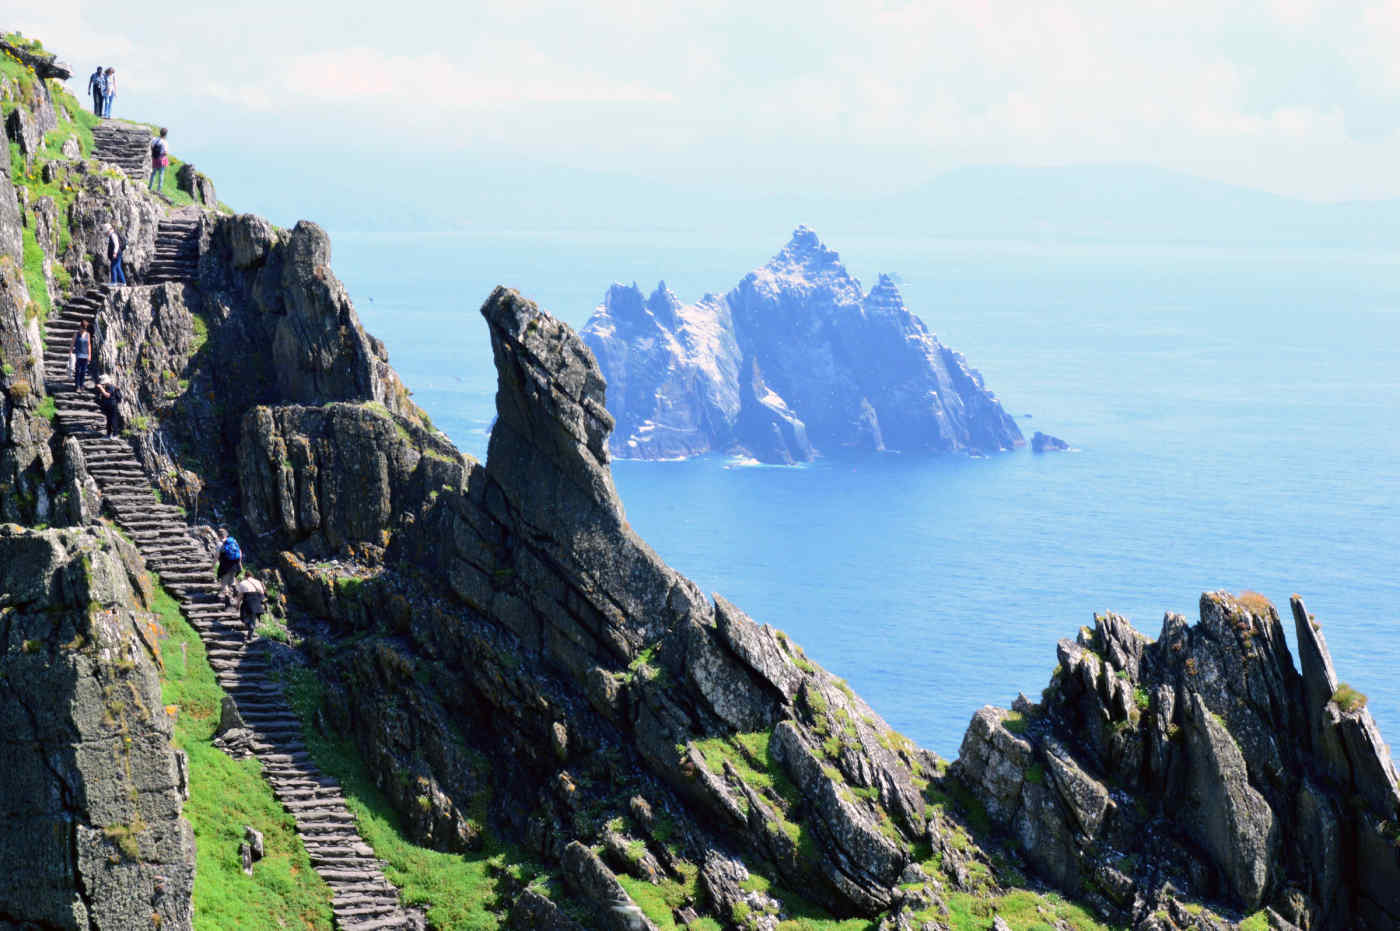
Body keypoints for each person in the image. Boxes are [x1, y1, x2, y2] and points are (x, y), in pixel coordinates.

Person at [233, 573, 267, 643]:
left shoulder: (243, 582)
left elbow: (240, 595)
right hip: (257, 600)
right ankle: (250, 633)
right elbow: (262, 592)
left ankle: (249, 625)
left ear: (245, 576)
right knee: (253, 616)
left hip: (247, 600)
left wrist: (237, 604)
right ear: (252, 576)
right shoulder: (257, 582)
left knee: (243, 615)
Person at [215, 529, 243, 603]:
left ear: (218, 536)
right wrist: (240, 563)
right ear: (226, 534)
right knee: (232, 580)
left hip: (225, 566)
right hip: (235, 565)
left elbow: (217, 556)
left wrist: (212, 567)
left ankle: (228, 599)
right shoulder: (233, 541)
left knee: (224, 583)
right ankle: (235, 589)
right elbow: (239, 552)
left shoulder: (220, 544)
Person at [71, 319, 92, 392]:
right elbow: (72, 343)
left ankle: (81, 385)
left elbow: (89, 345)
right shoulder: (76, 334)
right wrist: (70, 352)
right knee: (78, 371)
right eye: (83, 327)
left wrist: (89, 355)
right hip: (78, 355)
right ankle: (77, 386)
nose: (84, 329)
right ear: (80, 326)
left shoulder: (87, 334)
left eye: (85, 328)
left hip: (85, 355)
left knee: (83, 371)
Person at [149, 128, 169, 193]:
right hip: (162, 159)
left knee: (153, 173)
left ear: (160, 132)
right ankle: (159, 189)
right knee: (161, 174)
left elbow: (151, 147)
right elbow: (165, 152)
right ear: (165, 134)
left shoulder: (155, 139)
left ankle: (150, 186)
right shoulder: (165, 142)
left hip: (155, 158)